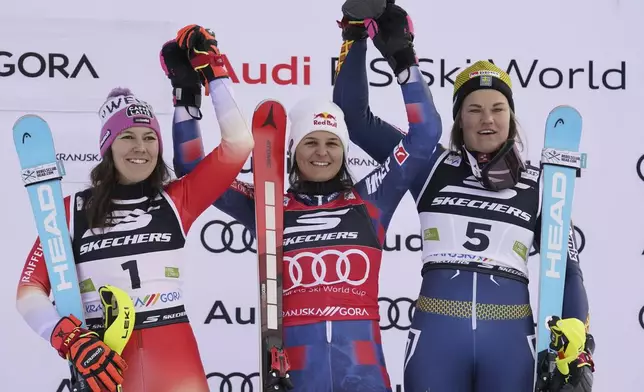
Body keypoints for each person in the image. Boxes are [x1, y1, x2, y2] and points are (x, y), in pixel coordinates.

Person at [333, 2, 596, 392]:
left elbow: (568, 270)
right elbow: (353, 117)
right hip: (437, 343)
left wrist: (578, 350)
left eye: (497, 108)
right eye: (474, 109)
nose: (486, 119)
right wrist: (355, 36)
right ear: (459, 119)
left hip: (510, 345)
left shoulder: (541, 186)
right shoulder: (430, 165)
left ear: (511, 116)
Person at [170, 19, 441, 391]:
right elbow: (193, 170)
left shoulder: (370, 199)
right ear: (293, 151)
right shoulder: (267, 204)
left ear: (344, 152)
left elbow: (425, 135)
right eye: (310, 142)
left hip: (364, 373)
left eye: (332, 144)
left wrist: (404, 60)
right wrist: (192, 93)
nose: (321, 153)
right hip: (294, 374)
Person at [15, 29, 254, 392]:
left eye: (149, 137)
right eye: (127, 137)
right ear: (108, 148)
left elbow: (239, 144)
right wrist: (68, 339)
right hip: (104, 363)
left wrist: (214, 74)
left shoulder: (177, 200)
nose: (140, 147)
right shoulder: (70, 210)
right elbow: (29, 291)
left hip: (175, 361)